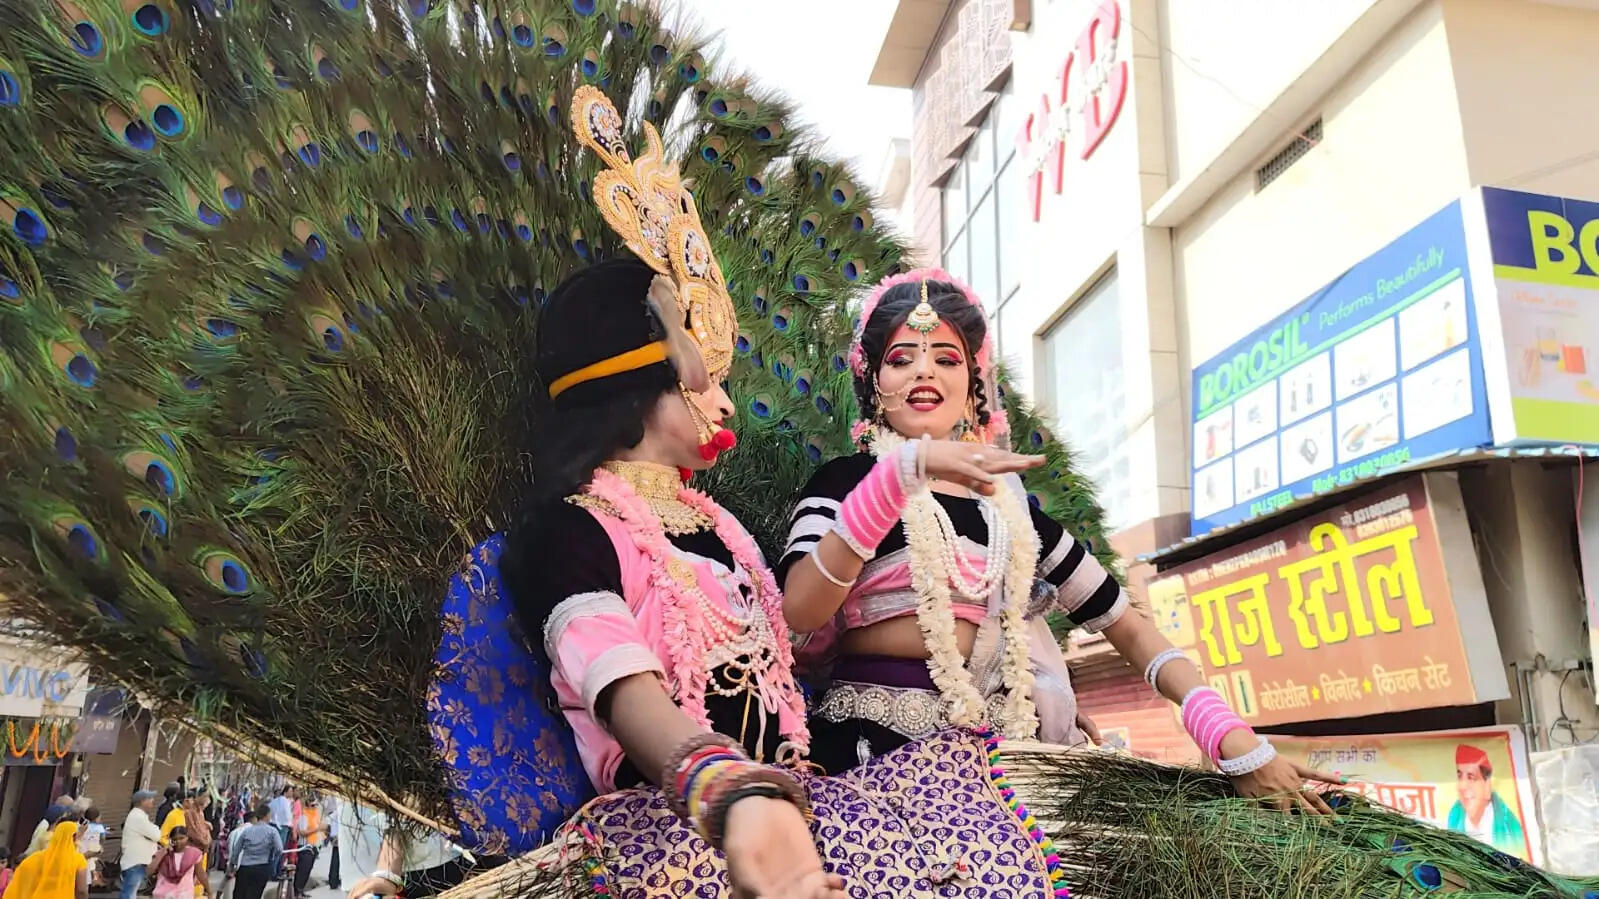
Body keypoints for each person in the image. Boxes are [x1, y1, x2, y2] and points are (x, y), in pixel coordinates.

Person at [777, 271, 1334, 810]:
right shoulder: (846, 483)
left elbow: (1130, 629)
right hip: (871, 759)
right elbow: (798, 611)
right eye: (902, 359)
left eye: (947, 359)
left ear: (973, 386)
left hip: (1003, 770)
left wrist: (1229, 735)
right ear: (874, 382)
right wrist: (899, 476)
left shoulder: (1011, 512)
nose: (925, 372)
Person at [1447, 744, 1528, 854]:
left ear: (1487, 786)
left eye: (1471, 778)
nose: (1463, 786)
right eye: (1460, 777)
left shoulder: (1510, 827)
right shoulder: (1453, 819)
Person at [7, 821, 88, 899]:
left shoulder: (35, 858)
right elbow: (81, 891)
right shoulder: (78, 859)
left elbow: (22, 881)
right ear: (74, 837)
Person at [226, 808, 281, 899]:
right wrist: (271, 857)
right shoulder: (272, 831)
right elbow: (279, 849)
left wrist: (233, 864)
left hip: (245, 867)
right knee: (255, 893)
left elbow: (236, 850)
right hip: (262, 866)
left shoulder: (247, 831)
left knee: (240, 894)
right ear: (267, 816)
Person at [120, 792, 162, 899]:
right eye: (150, 798)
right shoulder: (137, 817)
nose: (153, 801)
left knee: (131, 893)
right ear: (142, 801)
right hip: (135, 863)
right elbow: (157, 835)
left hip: (136, 862)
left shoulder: (140, 816)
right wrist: (155, 830)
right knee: (129, 894)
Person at [148, 829, 201, 899]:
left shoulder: (193, 854)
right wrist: (162, 853)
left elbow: (201, 874)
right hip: (163, 894)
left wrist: (209, 891)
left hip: (184, 894)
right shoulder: (163, 854)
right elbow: (149, 872)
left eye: (181, 838)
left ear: (187, 838)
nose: (178, 841)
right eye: (175, 839)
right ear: (171, 840)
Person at [292, 797, 324, 899]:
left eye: (316, 805)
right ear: (307, 805)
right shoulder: (303, 816)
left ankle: (301, 891)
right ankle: (297, 892)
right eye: (312, 805)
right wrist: (317, 829)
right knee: (302, 870)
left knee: (307, 870)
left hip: (313, 846)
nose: (315, 807)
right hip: (305, 847)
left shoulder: (315, 816)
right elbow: (302, 832)